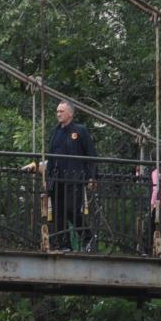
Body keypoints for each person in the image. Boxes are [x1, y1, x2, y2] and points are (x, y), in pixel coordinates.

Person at [45, 101, 96, 251]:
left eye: (61, 111)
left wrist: (92, 176)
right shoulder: (55, 132)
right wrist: (47, 179)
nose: (58, 114)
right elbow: (51, 156)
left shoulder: (80, 131)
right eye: (57, 111)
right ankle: (64, 245)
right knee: (58, 213)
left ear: (70, 114)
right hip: (57, 178)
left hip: (74, 178)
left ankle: (88, 237)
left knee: (72, 210)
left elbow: (91, 154)